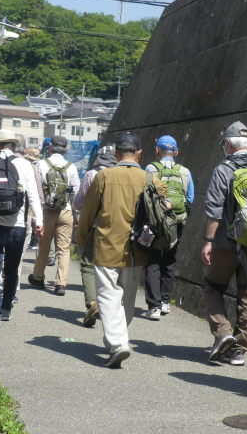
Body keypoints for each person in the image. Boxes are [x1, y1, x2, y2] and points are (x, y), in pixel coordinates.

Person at [78, 132, 165, 368]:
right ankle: (119, 339)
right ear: (139, 154)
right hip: (139, 247)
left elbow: (88, 212)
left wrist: (82, 237)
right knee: (127, 298)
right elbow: (165, 209)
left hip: (107, 244)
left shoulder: (104, 176)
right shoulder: (150, 179)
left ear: (116, 154)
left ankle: (117, 344)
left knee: (108, 295)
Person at [200, 121, 247, 366]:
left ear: (229, 145)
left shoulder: (223, 169)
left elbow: (214, 209)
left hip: (226, 243)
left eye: (224, 143)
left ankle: (223, 332)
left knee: (213, 286)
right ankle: (239, 349)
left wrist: (208, 241)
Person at [0, 129, 43, 329]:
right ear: (14, 146)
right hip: (17, 225)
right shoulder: (24, 164)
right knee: (12, 269)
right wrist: (39, 220)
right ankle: (6, 308)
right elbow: (33, 194)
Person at [142, 135, 194, 320]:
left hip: (155, 223)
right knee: (170, 260)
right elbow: (190, 198)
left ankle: (154, 306)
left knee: (153, 261)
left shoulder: (150, 169)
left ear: (157, 150)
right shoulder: (185, 172)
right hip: (176, 223)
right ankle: (165, 302)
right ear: (176, 152)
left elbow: (144, 196)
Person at [28, 135, 80, 296]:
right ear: (66, 149)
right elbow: (76, 192)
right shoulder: (71, 167)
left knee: (44, 246)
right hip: (65, 211)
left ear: (50, 148)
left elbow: (37, 190)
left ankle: (38, 277)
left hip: (46, 211)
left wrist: (36, 214)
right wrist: (76, 214)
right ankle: (61, 284)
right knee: (64, 249)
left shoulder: (40, 164)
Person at [73, 144, 117, 327]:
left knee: (88, 263)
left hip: (94, 225)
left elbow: (79, 202)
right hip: (117, 227)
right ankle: (109, 305)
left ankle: (92, 302)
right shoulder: (119, 174)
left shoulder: (92, 174)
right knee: (110, 267)